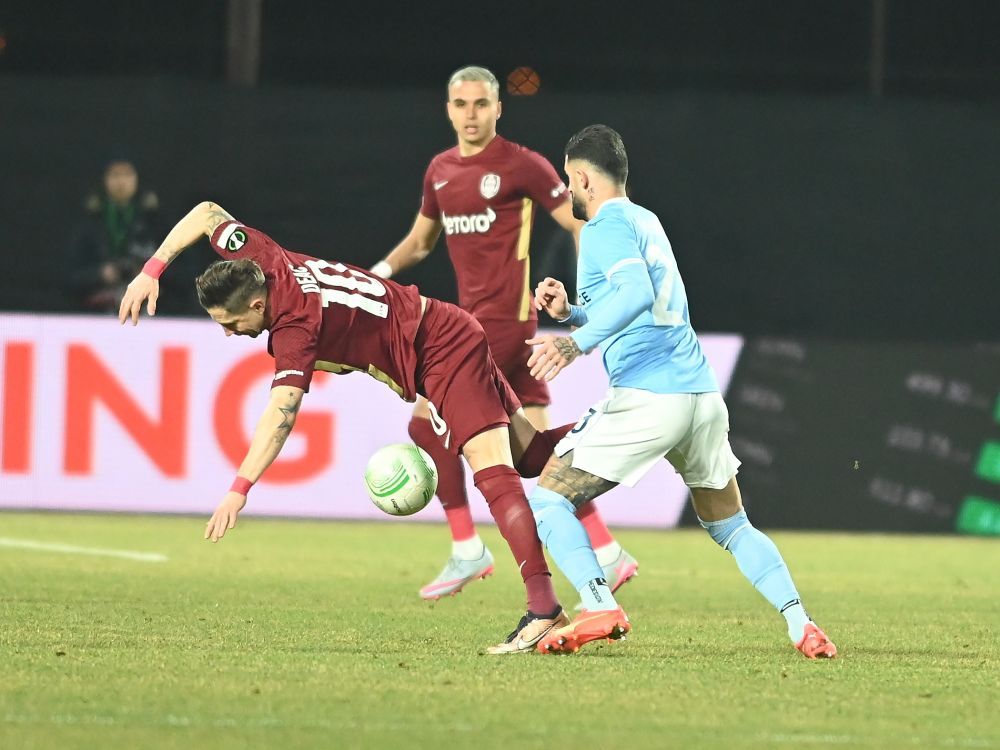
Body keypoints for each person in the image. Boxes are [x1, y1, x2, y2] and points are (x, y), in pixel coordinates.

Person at [118, 201, 578, 654]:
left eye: (232, 321)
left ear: (258, 304)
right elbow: (206, 214)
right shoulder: (258, 255)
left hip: (440, 349)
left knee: (493, 473)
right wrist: (150, 271)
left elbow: (281, 415)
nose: (228, 331)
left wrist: (240, 488)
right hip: (444, 332)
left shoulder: (296, 327)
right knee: (531, 455)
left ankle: (543, 610)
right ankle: (640, 428)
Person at [521, 125, 838, 659]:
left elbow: (638, 295)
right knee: (731, 524)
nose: (567, 192)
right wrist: (570, 313)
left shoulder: (602, 228)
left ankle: (599, 602)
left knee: (548, 499)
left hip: (649, 395)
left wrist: (575, 344)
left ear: (580, 177)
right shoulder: (647, 221)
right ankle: (801, 624)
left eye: (567, 180)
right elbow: (633, 299)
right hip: (701, 395)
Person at [370, 65, 638, 601]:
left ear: (499, 108)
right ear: (447, 109)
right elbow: (421, 242)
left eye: (481, 104)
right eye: (461, 104)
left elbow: (580, 220)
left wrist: (589, 293)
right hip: (481, 326)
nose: (471, 114)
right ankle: (609, 553)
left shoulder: (520, 165)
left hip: (500, 326)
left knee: (427, 428)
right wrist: (378, 273)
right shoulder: (441, 170)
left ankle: (468, 548)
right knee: (534, 454)